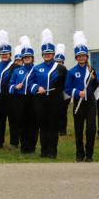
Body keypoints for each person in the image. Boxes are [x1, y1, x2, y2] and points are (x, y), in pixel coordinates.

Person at [29, 29, 67, 159]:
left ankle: (52, 151)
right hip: (40, 100)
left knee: (53, 126)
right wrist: (37, 87)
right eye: (45, 53)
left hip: (55, 100)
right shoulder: (37, 67)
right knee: (43, 126)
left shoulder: (61, 68)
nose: (47, 55)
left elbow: (65, 85)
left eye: (49, 53)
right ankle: (44, 150)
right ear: (42, 54)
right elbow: (30, 83)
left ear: (53, 54)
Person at [65, 32, 98, 162]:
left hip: (90, 103)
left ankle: (89, 154)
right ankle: (79, 154)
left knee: (91, 129)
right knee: (78, 130)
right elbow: (67, 88)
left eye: (83, 56)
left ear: (86, 56)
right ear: (76, 57)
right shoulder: (71, 71)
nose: (81, 58)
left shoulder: (92, 70)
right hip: (78, 102)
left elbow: (96, 85)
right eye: (79, 56)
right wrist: (78, 93)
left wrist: (90, 87)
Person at [10, 37, 37, 154]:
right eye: (25, 57)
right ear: (22, 59)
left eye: (28, 57)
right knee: (21, 122)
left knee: (32, 122)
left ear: (32, 58)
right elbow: (10, 85)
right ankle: (24, 146)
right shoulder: (17, 71)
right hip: (19, 99)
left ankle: (32, 146)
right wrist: (15, 87)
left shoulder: (36, 70)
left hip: (33, 99)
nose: (26, 59)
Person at [54, 44, 69, 136]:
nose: (59, 63)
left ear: (63, 62)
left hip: (64, 93)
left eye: (60, 62)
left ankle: (63, 130)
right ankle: (55, 128)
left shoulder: (65, 71)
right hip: (54, 94)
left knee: (63, 112)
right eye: (57, 62)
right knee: (54, 112)